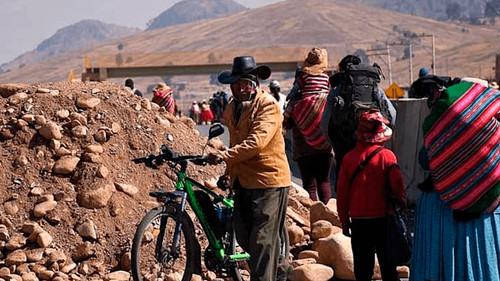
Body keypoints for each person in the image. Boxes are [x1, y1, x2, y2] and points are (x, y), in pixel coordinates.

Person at [208, 55, 292, 281]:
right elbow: (236, 143)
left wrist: (224, 155)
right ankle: (281, 271)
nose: (243, 88)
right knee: (245, 237)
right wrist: (228, 173)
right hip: (244, 181)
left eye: (247, 83)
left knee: (262, 240)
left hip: (269, 181)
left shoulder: (268, 106)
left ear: (256, 84)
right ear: (232, 86)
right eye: (238, 84)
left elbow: (256, 142)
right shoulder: (231, 107)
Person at [410, 78, 500, 281]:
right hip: (484, 208)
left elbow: (425, 161)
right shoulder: (495, 129)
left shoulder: (440, 128)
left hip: (441, 206)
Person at [337, 110, 406, 281]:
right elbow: (397, 186)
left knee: (362, 267)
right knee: (388, 264)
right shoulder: (387, 156)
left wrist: (345, 221)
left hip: (359, 221)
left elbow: (342, 194)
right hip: (384, 218)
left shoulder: (348, 159)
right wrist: (401, 202)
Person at [321, 54, 397, 190]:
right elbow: (392, 114)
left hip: (343, 145)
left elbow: (324, 124)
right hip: (371, 145)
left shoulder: (337, 90)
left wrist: (333, 143)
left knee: (345, 186)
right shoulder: (374, 88)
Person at [283, 47, 333, 203]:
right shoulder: (327, 79)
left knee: (309, 184)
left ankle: (312, 214)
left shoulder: (302, 78)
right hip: (324, 143)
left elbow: (292, 98)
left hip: (303, 144)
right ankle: (327, 213)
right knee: (324, 180)